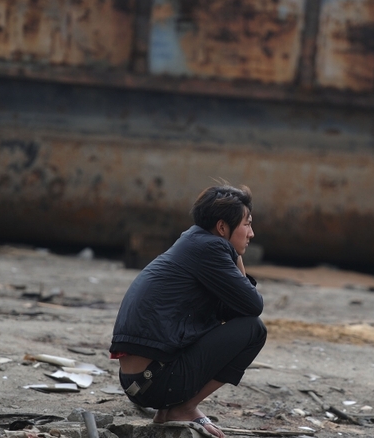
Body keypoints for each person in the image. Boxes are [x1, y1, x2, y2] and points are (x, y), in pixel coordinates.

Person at [110, 184, 266, 438]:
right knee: (254, 330)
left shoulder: (193, 243)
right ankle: (183, 408)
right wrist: (237, 258)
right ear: (222, 227)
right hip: (154, 381)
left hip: (140, 382)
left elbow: (233, 309)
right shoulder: (210, 249)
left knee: (239, 323)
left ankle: (170, 410)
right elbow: (252, 306)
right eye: (247, 224)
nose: (251, 233)